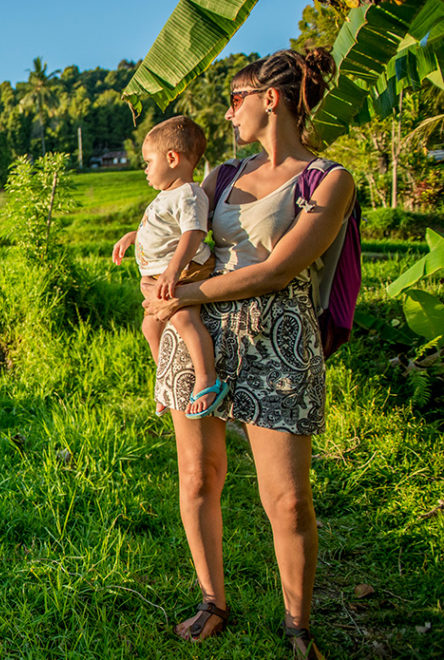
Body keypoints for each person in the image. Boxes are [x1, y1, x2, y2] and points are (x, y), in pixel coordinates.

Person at [143, 48, 355, 660]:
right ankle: (213, 600)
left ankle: (298, 625)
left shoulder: (328, 180)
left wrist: (179, 294)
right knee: (198, 474)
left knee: (287, 498)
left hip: (278, 336)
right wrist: (150, 264)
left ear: (271, 99)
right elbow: (172, 222)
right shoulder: (223, 177)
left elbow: (279, 268)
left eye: (235, 99)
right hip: (204, 334)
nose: (227, 114)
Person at [112, 115, 225, 418]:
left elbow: (193, 233)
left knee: (185, 320)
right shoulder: (168, 196)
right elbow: (165, 231)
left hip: (187, 270)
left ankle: (207, 379)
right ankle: (167, 382)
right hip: (170, 271)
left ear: (172, 158)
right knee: (150, 325)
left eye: (148, 162)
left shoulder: (188, 194)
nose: (146, 169)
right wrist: (134, 237)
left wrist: (173, 270)